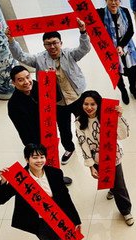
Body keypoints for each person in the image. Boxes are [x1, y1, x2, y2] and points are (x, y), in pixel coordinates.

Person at [0, 143, 91, 240]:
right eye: (34, 157)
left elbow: (65, 198)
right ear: (26, 159)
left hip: (57, 214)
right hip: (39, 221)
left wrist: (75, 219)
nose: (39, 161)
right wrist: (3, 183)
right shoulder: (19, 178)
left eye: (42, 157)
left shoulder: (55, 173)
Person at [6, 19, 89, 165]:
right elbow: (21, 56)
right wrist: (11, 40)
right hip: (57, 102)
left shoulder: (70, 54)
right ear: (44, 45)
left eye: (55, 42)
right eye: (48, 44)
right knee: (64, 129)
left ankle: (88, 142)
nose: (52, 46)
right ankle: (69, 148)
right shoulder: (39, 59)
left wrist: (83, 32)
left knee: (84, 121)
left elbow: (84, 48)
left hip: (76, 96)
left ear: (61, 43)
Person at [75, 90, 134, 226]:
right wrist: (90, 166)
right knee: (106, 178)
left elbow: (123, 135)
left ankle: (125, 211)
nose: (89, 107)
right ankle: (111, 189)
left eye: (93, 104)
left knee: (119, 185)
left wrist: (119, 117)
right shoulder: (79, 121)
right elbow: (83, 143)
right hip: (96, 158)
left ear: (99, 105)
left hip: (112, 156)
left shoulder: (107, 116)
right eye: (86, 104)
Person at [7, 65, 73, 185]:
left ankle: (57, 178)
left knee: (52, 158)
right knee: (41, 163)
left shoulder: (37, 85)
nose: (26, 82)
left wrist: (53, 82)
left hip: (49, 131)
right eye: (20, 80)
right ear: (13, 83)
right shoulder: (13, 105)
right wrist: (35, 147)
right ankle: (45, 183)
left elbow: (56, 99)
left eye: (28, 77)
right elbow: (23, 130)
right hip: (34, 139)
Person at [97, 0, 136, 105]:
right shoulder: (101, 13)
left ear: (120, 1)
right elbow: (86, 14)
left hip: (126, 47)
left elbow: (131, 30)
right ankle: (123, 91)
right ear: (105, 0)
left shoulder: (125, 11)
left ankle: (133, 88)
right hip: (109, 50)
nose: (113, 2)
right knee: (116, 72)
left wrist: (121, 45)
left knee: (132, 69)